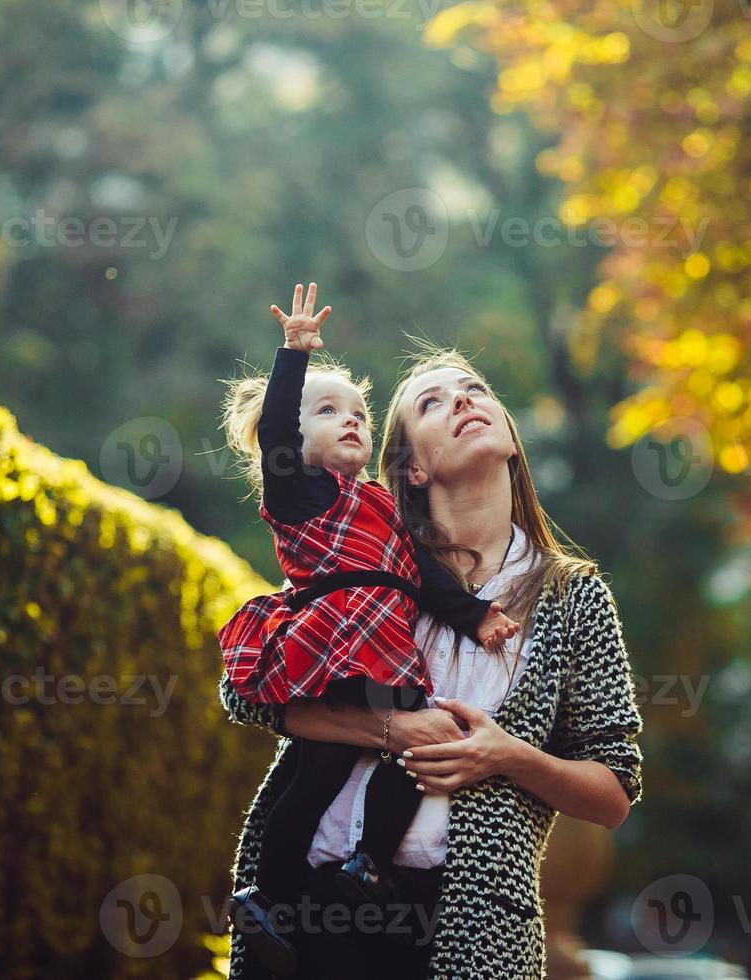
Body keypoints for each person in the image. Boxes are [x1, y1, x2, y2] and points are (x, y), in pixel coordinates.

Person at [219, 342, 645, 979]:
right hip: (309, 901)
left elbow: (614, 793)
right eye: (433, 401)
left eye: (475, 388)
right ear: (411, 467)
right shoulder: (362, 564)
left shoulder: (572, 597)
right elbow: (248, 693)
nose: (464, 400)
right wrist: (391, 730)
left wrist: (504, 755)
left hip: (473, 922)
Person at [217, 284, 521, 975]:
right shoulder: (298, 492)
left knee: (416, 750)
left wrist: (476, 617)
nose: (352, 421)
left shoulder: (383, 507)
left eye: (359, 412)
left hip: (384, 648)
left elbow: (424, 580)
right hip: (331, 637)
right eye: (327, 412)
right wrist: (294, 358)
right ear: (295, 435)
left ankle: (367, 866)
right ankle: (270, 895)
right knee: (317, 771)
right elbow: (274, 436)